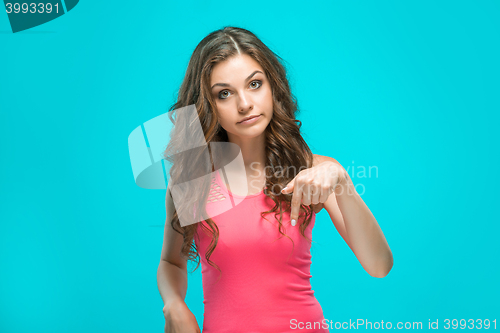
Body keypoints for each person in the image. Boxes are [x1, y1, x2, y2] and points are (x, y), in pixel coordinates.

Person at [157, 26, 393, 333]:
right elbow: (171, 263)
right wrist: (174, 304)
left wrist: (341, 180)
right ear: (207, 105)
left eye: (254, 84)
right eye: (224, 93)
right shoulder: (193, 181)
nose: (244, 103)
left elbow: (379, 265)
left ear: (273, 87)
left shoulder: (313, 172)